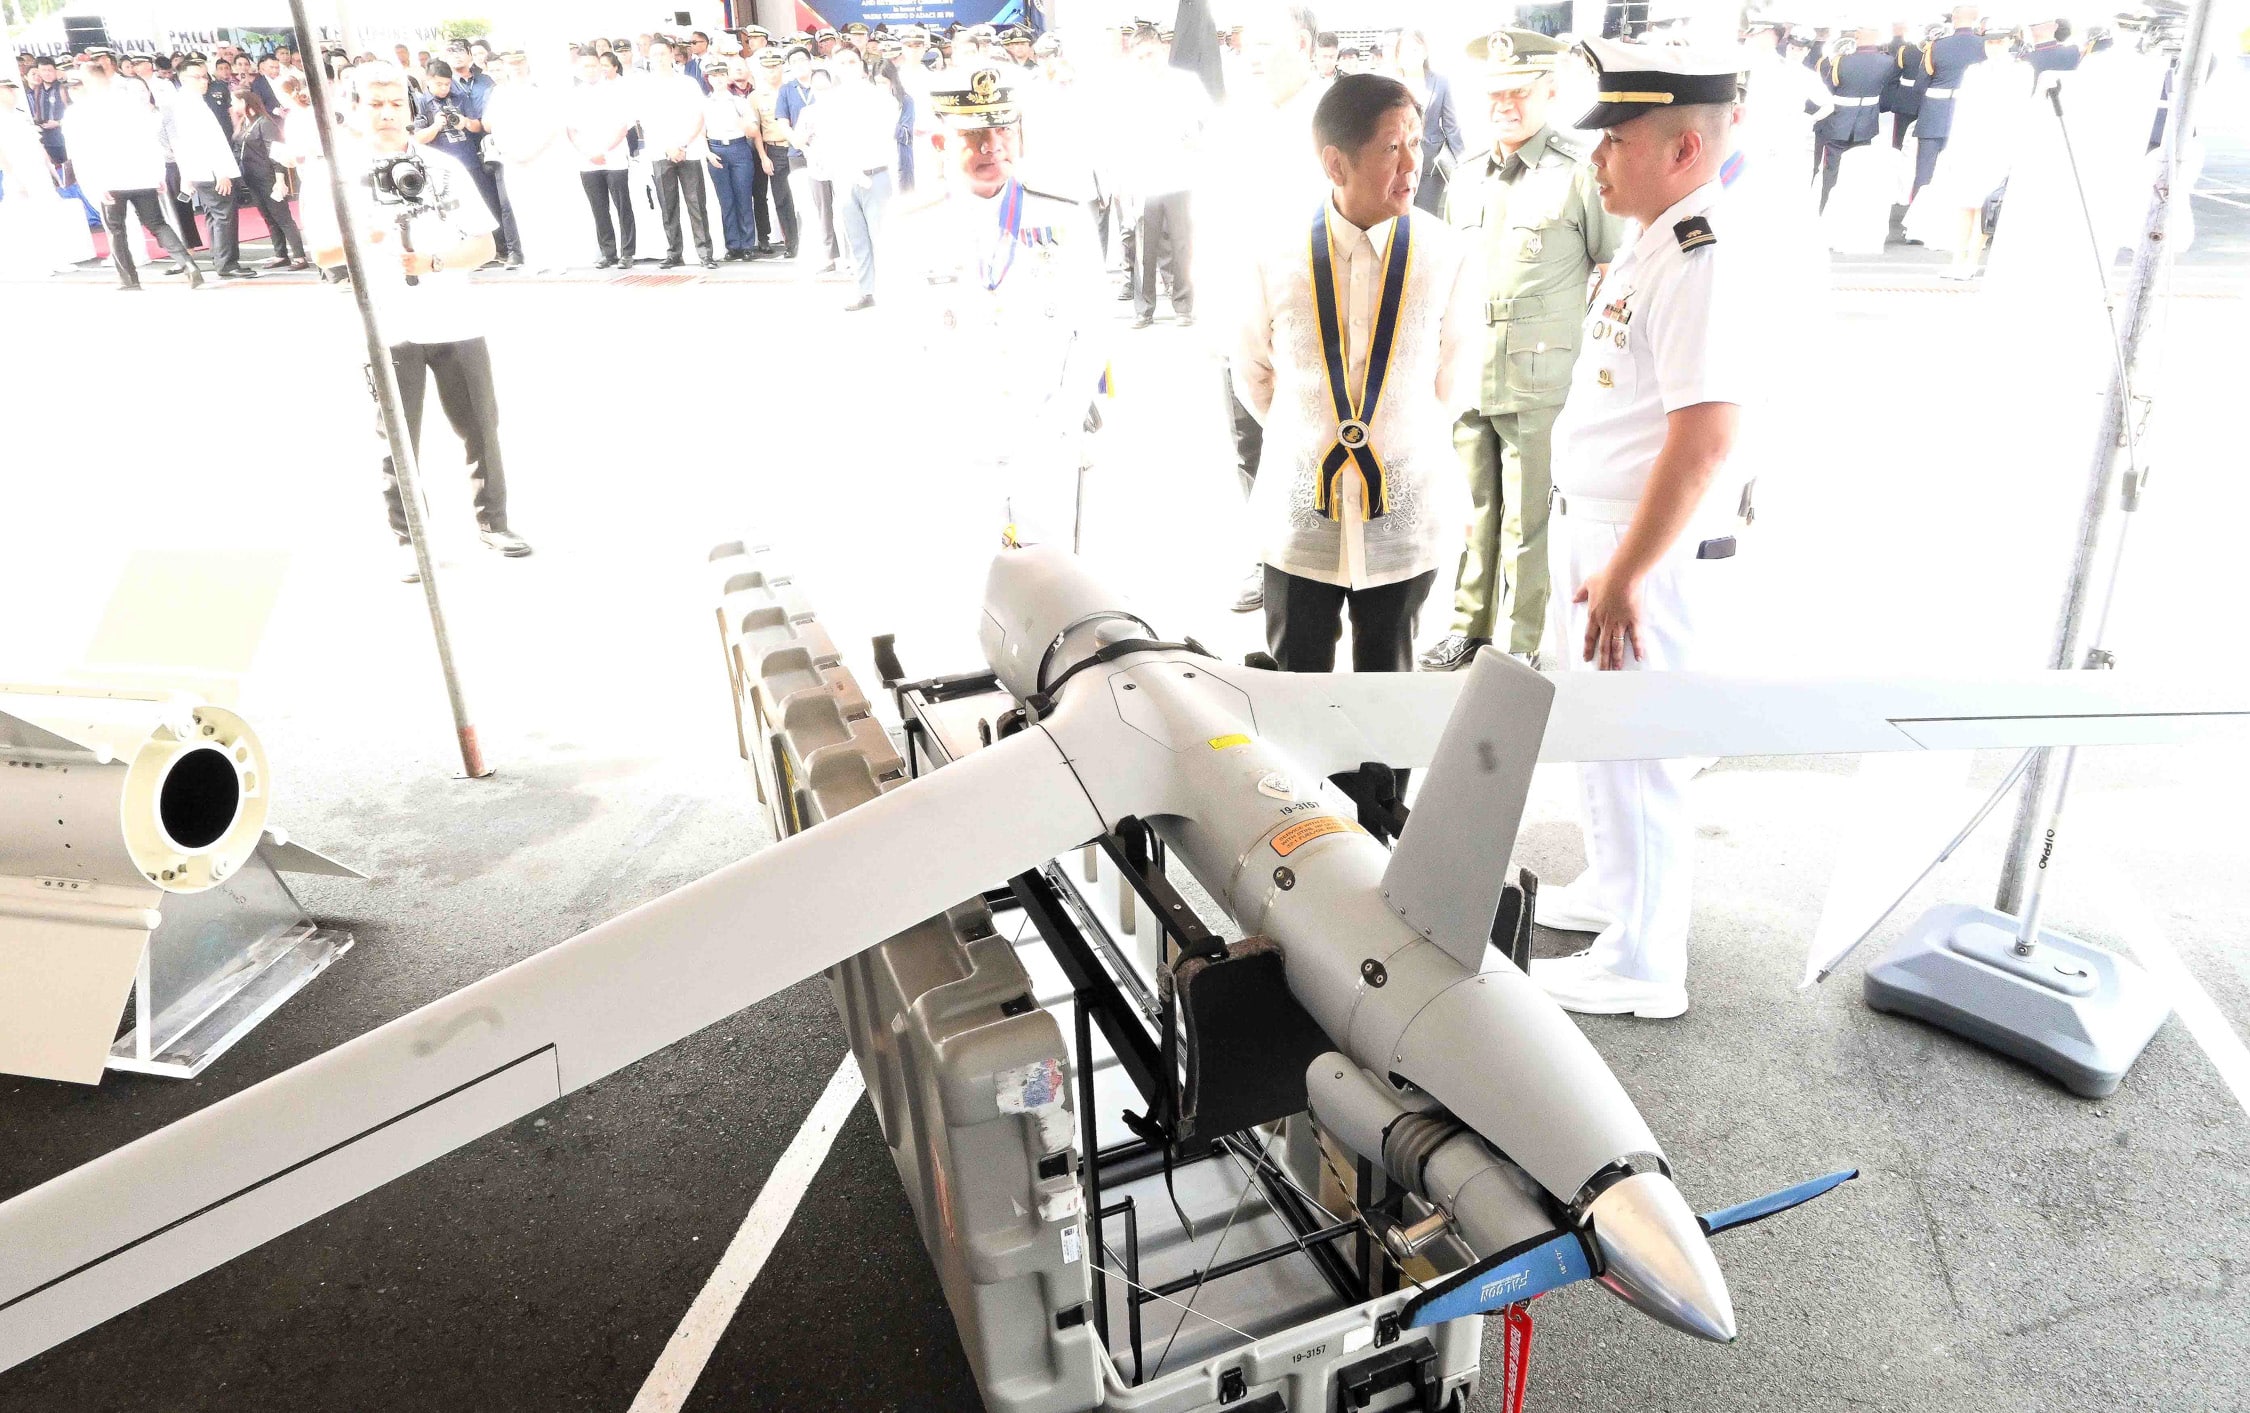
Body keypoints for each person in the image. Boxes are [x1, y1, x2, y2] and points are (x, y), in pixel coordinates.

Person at [1525, 38, 1761, 1018]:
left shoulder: (1702, 251)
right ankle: (1617, 897)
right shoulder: (1659, 234)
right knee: (1601, 738)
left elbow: (1704, 438)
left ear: (1678, 149)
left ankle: (1642, 963)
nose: (1596, 158)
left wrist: (1625, 572)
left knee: (1643, 752)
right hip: (1611, 536)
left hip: (1647, 552)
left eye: (1614, 140)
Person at [1235, 72, 1481, 680]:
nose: (1412, 164)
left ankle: (1382, 785)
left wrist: (1393, 431)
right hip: (1301, 521)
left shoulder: (1445, 254)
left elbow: (1454, 377)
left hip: (1402, 515)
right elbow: (1254, 375)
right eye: (1391, 148)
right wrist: (1315, 432)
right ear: (1335, 163)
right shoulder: (1275, 254)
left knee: (1390, 695)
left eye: (1417, 144)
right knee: (1298, 692)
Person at [1421, 30, 1620, 675]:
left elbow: (1614, 268)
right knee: (1476, 511)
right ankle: (1467, 626)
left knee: (1529, 518)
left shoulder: (1579, 170)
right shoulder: (1468, 173)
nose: (1505, 105)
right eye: (1495, 95)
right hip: (1474, 369)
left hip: (1541, 373)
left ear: (1550, 92)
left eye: (1518, 93)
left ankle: (1521, 639)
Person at [301, 63, 532, 580]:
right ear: (352, 109)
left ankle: (494, 521)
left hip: (455, 316)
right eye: (374, 104)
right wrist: (373, 237)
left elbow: (484, 245)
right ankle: (411, 539)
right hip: (387, 323)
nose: (386, 114)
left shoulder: (443, 165)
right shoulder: (330, 173)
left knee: (481, 427)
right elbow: (322, 251)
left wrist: (432, 263)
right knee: (399, 437)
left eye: (395, 104)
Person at [880, 67, 1110, 547]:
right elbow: (900, 340)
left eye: (1003, 130)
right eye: (974, 134)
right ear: (941, 142)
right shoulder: (912, 225)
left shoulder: (1063, 214)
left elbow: (1093, 328)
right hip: (958, 444)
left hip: (1046, 437)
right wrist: (940, 429)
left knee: (1054, 590)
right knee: (975, 588)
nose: (992, 147)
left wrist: (1062, 422)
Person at [1216, 1, 1334, 615]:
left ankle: (1311, 557)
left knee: (1312, 439)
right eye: (1246, 45)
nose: (1252, 56)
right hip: (1240, 310)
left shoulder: (1338, 116)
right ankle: (1268, 554)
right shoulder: (1237, 119)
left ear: (1307, 46)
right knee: (1248, 440)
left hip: (1310, 316)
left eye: (1268, 44)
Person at [66, 53, 203, 290]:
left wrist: (95, 183)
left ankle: (129, 279)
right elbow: (151, 136)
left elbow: (86, 150)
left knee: (116, 230)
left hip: (110, 178)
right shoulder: (130, 101)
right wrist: (157, 172)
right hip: (142, 173)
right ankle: (188, 264)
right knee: (157, 224)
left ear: (87, 80)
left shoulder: (83, 109)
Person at [1120, 22, 1207, 329]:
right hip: (1145, 180)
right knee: (1144, 247)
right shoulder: (1130, 89)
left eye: (1151, 54)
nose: (1147, 61)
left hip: (1181, 177)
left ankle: (1184, 306)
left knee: (1183, 245)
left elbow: (1207, 122)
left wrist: (1198, 142)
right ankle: (1143, 310)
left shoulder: (1186, 83)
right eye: (1140, 57)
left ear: (1162, 49)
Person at [819, 51, 898, 308]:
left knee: (883, 236)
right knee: (856, 239)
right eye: (841, 62)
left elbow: (883, 134)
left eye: (852, 61)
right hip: (844, 177)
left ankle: (891, 290)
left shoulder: (879, 96)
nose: (847, 67)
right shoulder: (829, 101)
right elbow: (827, 139)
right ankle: (866, 291)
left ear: (862, 66)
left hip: (874, 174)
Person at [640, 39, 718, 269]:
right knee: (668, 204)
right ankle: (674, 252)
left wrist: (682, 145)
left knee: (696, 204)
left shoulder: (687, 83)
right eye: (655, 54)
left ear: (672, 54)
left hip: (688, 151)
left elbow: (699, 116)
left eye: (663, 53)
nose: (660, 58)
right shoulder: (646, 86)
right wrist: (668, 147)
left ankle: (705, 254)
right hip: (660, 151)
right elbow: (647, 122)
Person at [566, 51, 635, 267]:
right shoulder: (574, 95)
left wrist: (604, 151)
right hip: (587, 161)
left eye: (594, 66)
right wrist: (589, 153)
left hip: (613, 158)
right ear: (579, 69)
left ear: (601, 67)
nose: (591, 70)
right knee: (599, 208)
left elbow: (623, 126)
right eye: (585, 66)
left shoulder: (616, 91)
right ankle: (608, 253)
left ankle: (627, 252)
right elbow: (571, 130)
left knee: (622, 206)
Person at [1912, 7, 1991, 199]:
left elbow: (1920, 85)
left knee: (1925, 173)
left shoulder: (1935, 46)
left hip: (1934, 115)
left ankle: (1917, 220)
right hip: (1970, 115)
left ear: (1954, 18)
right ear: (1975, 18)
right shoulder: (1986, 45)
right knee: (1964, 172)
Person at [1813, 28, 1891, 210]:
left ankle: (1825, 208)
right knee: (1857, 171)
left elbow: (1828, 90)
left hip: (1838, 121)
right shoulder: (1887, 61)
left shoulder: (1840, 61)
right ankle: (1850, 210)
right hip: (1867, 123)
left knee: (1832, 171)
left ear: (1857, 37)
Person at [776, 46, 839, 269]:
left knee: (842, 207)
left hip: (837, 161)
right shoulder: (787, 90)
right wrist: (801, 144)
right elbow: (783, 122)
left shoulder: (836, 99)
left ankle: (849, 254)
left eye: (804, 60)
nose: (800, 65)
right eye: (795, 62)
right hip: (804, 156)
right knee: (812, 207)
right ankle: (821, 253)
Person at [229, 86, 304, 269]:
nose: (231, 104)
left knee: (282, 217)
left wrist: (280, 180)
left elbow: (276, 153)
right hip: (251, 178)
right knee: (268, 216)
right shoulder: (244, 124)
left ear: (245, 102)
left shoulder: (264, 123)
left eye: (235, 101)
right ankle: (280, 254)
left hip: (267, 176)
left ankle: (300, 256)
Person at [1391, 29, 1462, 217]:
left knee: (1426, 216)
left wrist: (1462, 160)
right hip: (1397, 162)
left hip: (1431, 162)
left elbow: (1451, 125)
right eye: (1406, 51)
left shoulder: (1440, 82)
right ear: (1398, 56)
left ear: (1425, 52)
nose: (1412, 55)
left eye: (1416, 50)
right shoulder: (1391, 84)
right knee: (1399, 214)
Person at [703, 59, 761, 260]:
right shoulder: (705, 103)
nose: (718, 79)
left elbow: (753, 129)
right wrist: (707, 153)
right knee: (726, 200)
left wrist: (743, 124)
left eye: (721, 75)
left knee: (743, 197)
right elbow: (701, 132)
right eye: (713, 76)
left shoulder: (739, 101)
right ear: (708, 79)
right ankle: (732, 245)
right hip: (716, 148)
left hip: (738, 147)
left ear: (727, 77)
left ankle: (747, 244)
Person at [747, 47, 797, 257]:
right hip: (774, 149)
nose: (772, 72)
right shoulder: (756, 97)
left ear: (782, 67)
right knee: (782, 199)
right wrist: (763, 156)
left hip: (797, 148)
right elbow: (756, 131)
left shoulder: (793, 89)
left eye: (775, 67)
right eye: (767, 68)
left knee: (803, 197)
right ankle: (792, 244)